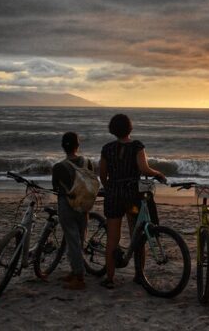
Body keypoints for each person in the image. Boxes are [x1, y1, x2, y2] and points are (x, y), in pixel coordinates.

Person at [99, 114, 166, 289]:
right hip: (132, 197)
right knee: (137, 234)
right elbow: (144, 169)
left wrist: (110, 187)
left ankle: (110, 278)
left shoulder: (107, 149)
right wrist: (158, 174)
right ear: (130, 128)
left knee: (113, 238)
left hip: (113, 196)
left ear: (112, 129)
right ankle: (139, 275)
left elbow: (102, 174)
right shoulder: (137, 146)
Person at [52, 132, 94, 290]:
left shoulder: (58, 167)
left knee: (72, 240)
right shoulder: (87, 162)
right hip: (84, 205)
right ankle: (74, 271)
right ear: (78, 145)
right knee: (79, 239)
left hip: (67, 206)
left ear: (63, 146)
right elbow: (91, 179)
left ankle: (79, 276)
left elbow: (56, 188)